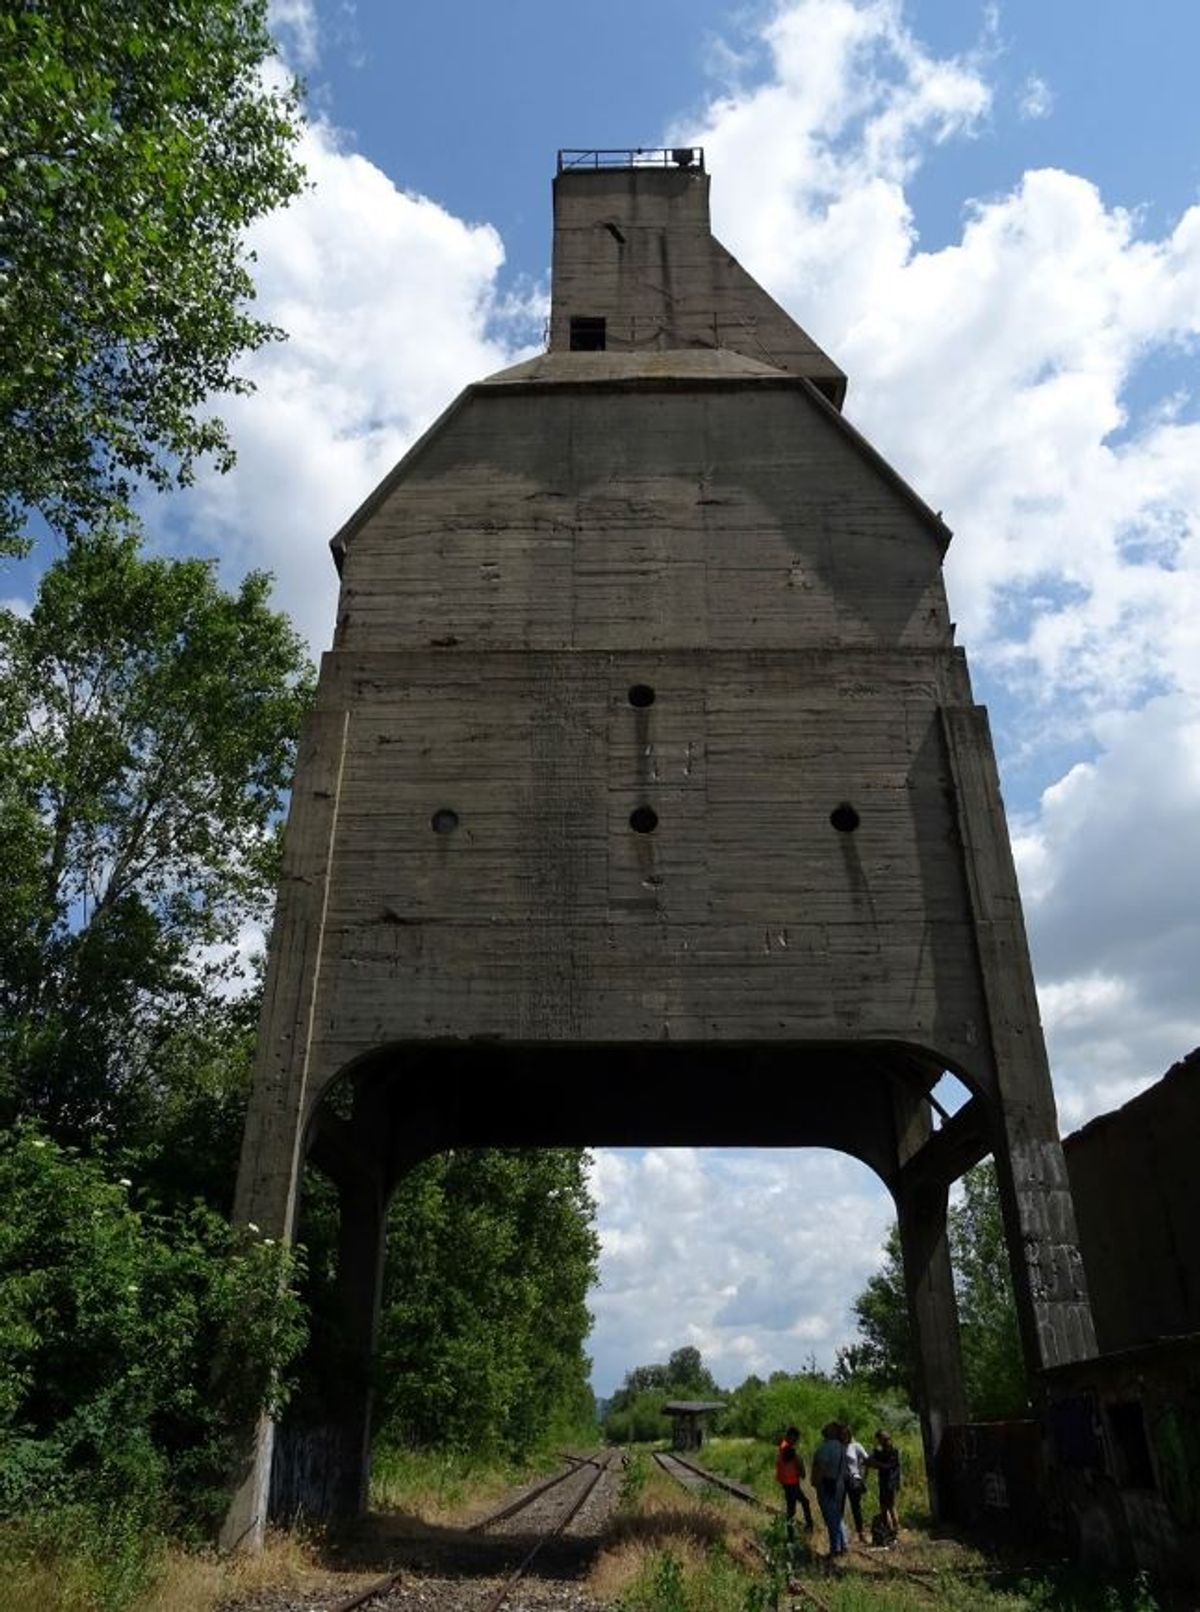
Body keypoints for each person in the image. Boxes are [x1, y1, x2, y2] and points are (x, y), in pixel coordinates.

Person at [810, 1421, 848, 1559]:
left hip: (826, 1486)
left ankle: (835, 1549)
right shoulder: (842, 1447)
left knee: (831, 1518)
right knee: (837, 1516)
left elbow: (821, 1468)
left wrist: (816, 1484)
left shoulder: (825, 1448)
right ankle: (844, 1544)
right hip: (839, 1486)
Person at [775, 1425, 814, 1533]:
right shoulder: (789, 1449)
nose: (796, 1441)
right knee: (793, 1509)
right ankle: (793, 1535)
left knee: (800, 1504)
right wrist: (801, 1469)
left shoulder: (783, 1445)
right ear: (791, 1436)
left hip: (788, 1483)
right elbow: (800, 1468)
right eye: (795, 1438)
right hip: (791, 1484)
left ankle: (805, 1528)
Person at [868, 1429, 901, 1539]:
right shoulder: (883, 1451)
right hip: (885, 1482)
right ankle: (891, 1531)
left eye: (879, 1439)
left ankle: (895, 1531)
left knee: (890, 1507)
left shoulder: (892, 1451)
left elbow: (888, 1467)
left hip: (889, 1482)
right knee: (884, 1508)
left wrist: (876, 1463)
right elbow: (871, 1460)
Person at [841, 1425, 870, 1542]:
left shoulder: (855, 1446)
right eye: (842, 1435)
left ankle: (861, 1533)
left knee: (856, 1507)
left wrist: (864, 1477)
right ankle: (842, 1534)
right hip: (841, 1481)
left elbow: (867, 1459)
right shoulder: (839, 1447)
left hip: (854, 1479)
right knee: (840, 1507)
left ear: (849, 1435)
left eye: (846, 1435)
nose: (844, 1437)